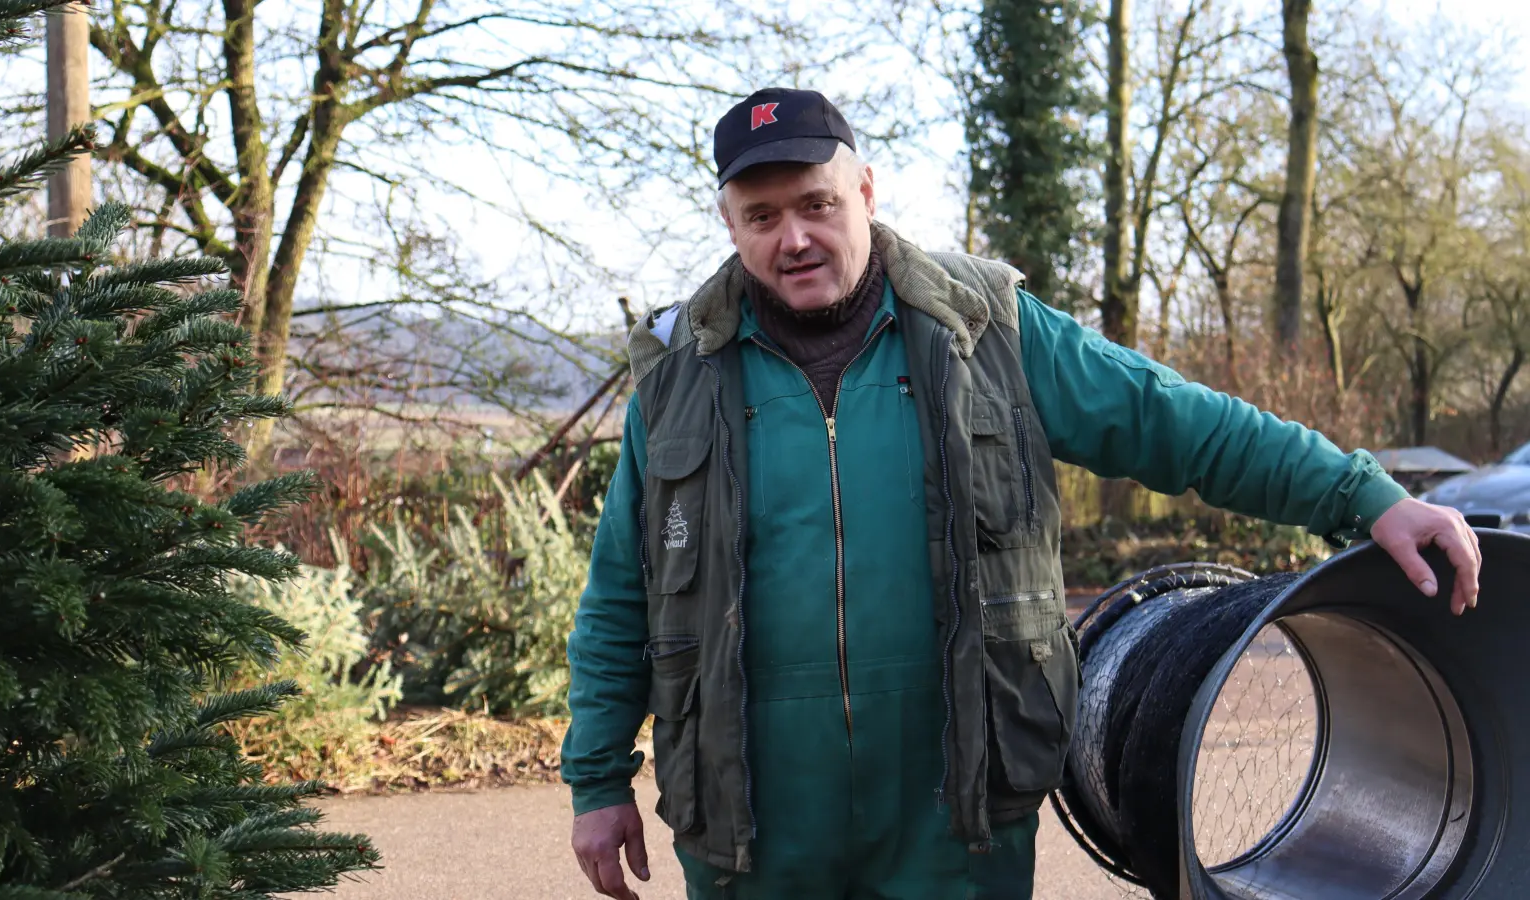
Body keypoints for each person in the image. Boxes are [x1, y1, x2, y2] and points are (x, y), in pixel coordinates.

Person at [560, 87, 1481, 900]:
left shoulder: (990, 333)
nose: (794, 236)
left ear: (867, 195)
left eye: (817, 204)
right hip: (750, 833)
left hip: (958, 819)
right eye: (762, 216)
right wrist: (598, 783)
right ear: (730, 224)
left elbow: (1179, 422)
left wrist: (1364, 497)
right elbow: (620, 599)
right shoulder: (680, 380)